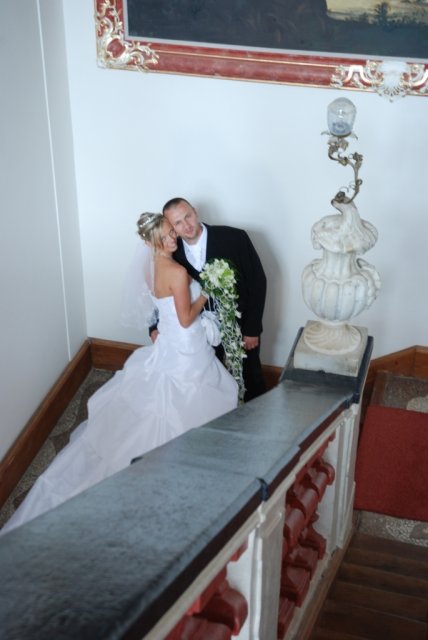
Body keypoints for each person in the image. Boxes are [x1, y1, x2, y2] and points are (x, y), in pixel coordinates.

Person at [1, 214, 238, 534]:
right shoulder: (178, 272)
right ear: (151, 241)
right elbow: (185, 319)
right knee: (191, 397)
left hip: (168, 343)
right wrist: (206, 294)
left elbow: (162, 308)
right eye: (165, 237)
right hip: (184, 344)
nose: (173, 239)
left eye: (172, 233)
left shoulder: (149, 267)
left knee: (160, 396)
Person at [161, 197, 267, 402]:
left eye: (188, 216)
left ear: (195, 211)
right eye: (178, 223)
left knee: (250, 379)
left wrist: (252, 329)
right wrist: (154, 326)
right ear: (171, 228)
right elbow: (162, 289)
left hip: (240, 328)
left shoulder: (234, 238)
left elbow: (258, 282)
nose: (187, 225)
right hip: (198, 335)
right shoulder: (172, 253)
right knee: (209, 386)